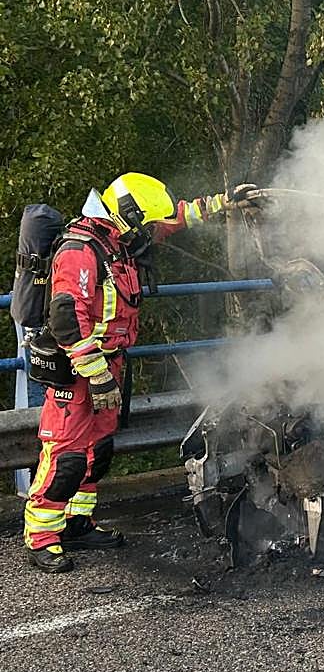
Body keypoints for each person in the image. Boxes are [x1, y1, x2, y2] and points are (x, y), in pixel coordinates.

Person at [23, 172, 259, 573]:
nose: (150, 230)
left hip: (108, 362)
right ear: (129, 214)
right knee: (66, 455)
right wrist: (96, 375)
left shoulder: (118, 239)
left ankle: (77, 524)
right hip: (81, 369)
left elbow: (174, 218)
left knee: (98, 452)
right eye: (145, 222)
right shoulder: (81, 250)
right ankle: (41, 534)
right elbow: (66, 317)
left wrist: (224, 202)